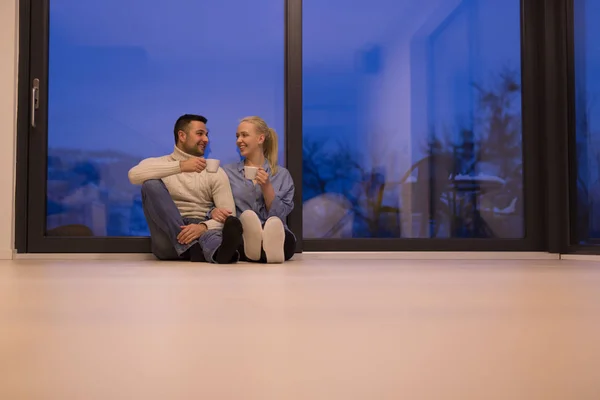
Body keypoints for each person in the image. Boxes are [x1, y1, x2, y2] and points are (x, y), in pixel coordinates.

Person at [128, 114, 242, 263]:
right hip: (169, 236)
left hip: (201, 229)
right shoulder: (159, 164)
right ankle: (194, 248)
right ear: (181, 136)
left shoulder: (214, 171)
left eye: (206, 135)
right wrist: (181, 167)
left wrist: (202, 227)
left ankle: (220, 253)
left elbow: (229, 214)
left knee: (210, 235)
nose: (206, 139)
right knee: (150, 184)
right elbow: (133, 175)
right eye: (200, 134)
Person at [211, 116, 295, 263]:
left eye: (244, 135)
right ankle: (261, 249)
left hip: (276, 234)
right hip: (242, 237)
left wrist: (267, 187)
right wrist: (213, 211)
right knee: (235, 236)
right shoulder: (227, 172)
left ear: (260, 139)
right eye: (237, 136)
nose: (239, 141)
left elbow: (282, 214)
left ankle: (263, 247)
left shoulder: (281, 175)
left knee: (286, 240)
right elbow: (213, 201)